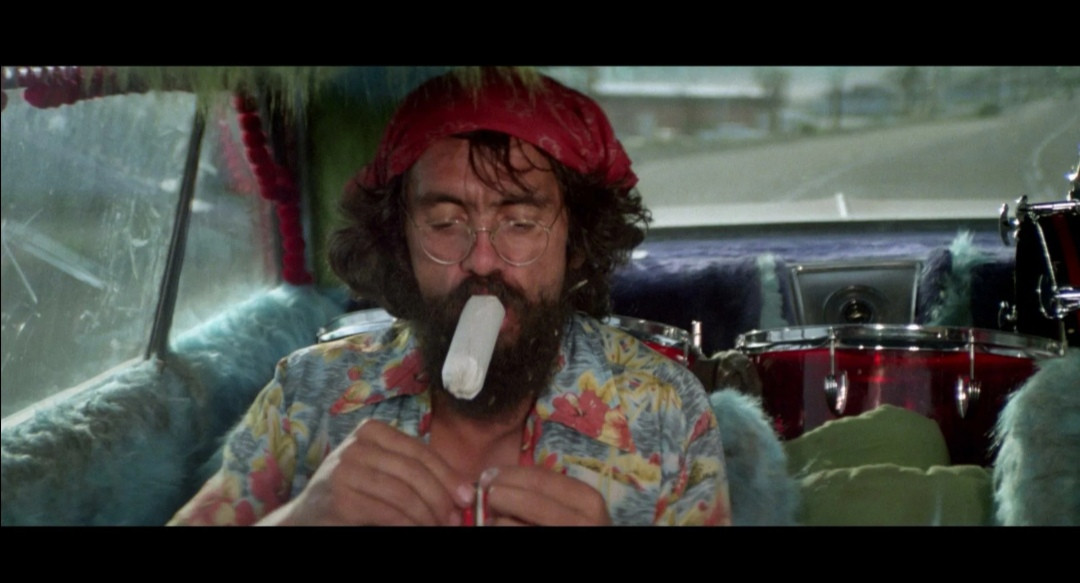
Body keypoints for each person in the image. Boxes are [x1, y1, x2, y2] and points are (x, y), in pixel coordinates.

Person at [169, 67, 731, 526]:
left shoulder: (666, 411)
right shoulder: (305, 396)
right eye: (444, 223)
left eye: (520, 223)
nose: (481, 260)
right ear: (400, 239)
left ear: (576, 243)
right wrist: (298, 521)